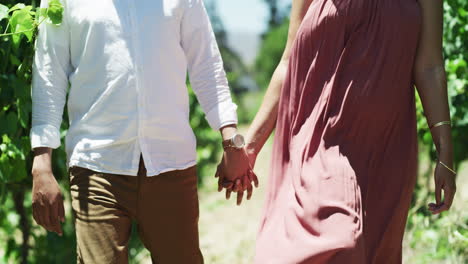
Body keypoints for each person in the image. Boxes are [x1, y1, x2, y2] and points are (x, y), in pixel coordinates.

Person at [217, 0, 457, 263]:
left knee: (376, 252)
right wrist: (248, 149)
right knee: (340, 240)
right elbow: (289, 62)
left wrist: (445, 151)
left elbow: (430, 67)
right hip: (321, 143)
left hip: (387, 149)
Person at [30, 0, 253, 263]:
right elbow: (48, 73)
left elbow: (206, 65)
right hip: (96, 165)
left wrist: (231, 141)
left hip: (171, 163)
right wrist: (41, 164)